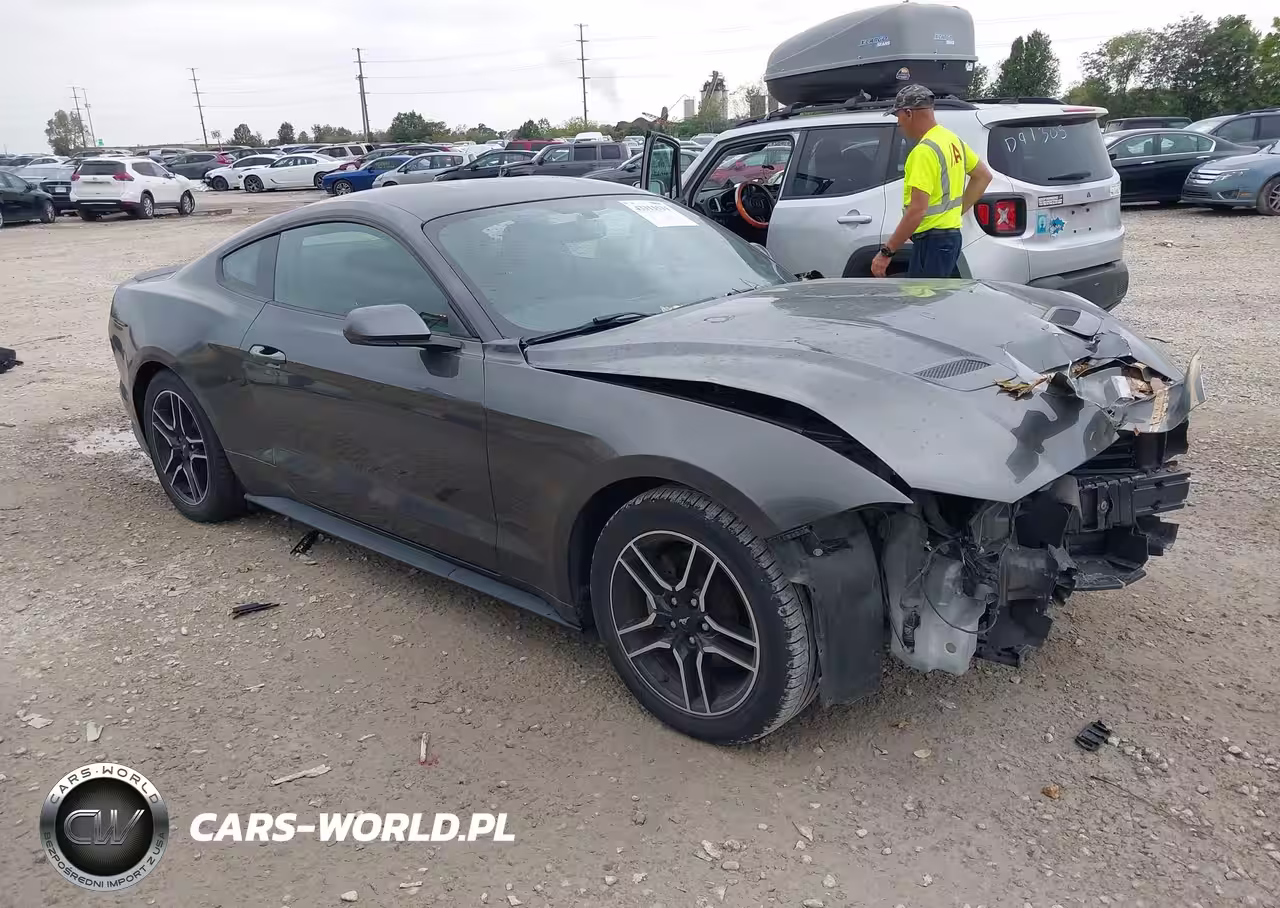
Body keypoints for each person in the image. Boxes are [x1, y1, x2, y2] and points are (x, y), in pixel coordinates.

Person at [872, 84, 992, 279]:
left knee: (923, 304)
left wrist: (887, 252)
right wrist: (955, 212)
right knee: (939, 302)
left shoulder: (924, 151)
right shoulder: (951, 140)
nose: (898, 123)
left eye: (898, 116)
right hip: (950, 239)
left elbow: (917, 209)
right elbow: (983, 176)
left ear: (909, 113)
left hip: (932, 242)